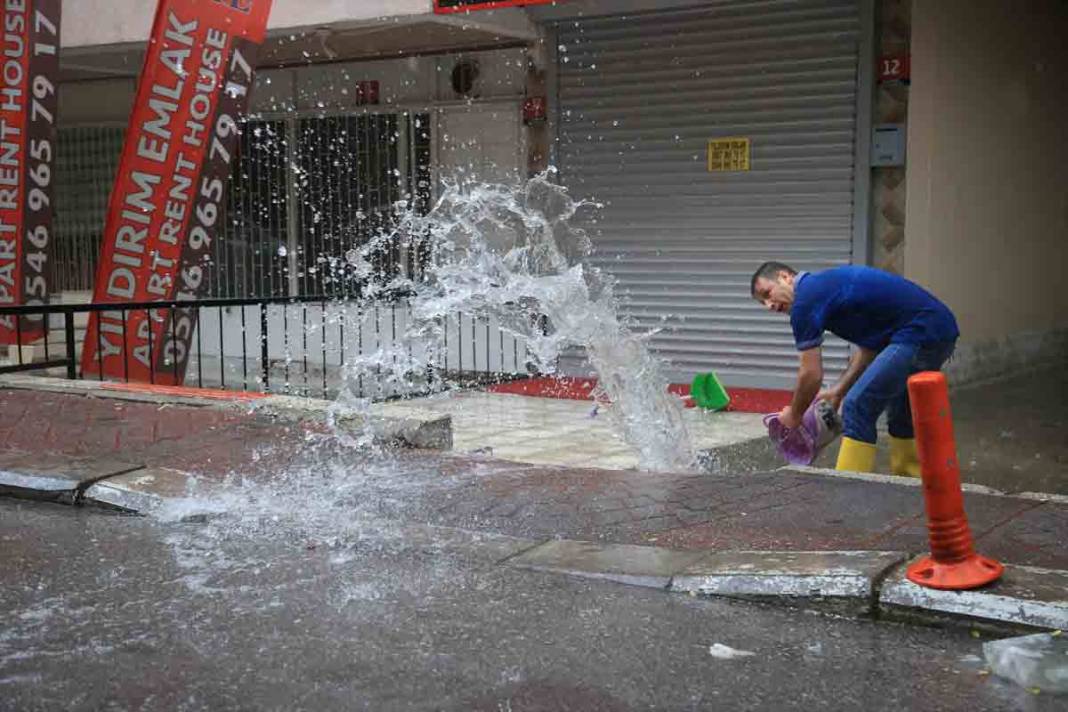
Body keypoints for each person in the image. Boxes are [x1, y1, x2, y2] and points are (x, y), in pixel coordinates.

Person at [750, 261, 959, 476]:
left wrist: (794, 415)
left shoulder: (805, 300)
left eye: (768, 293)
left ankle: (847, 493)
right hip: (937, 328)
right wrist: (838, 391)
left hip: (920, 332)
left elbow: (811, 375)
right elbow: (869, 348)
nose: (769, 305)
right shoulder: (822, 287)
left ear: (785, 277)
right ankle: (911, 482)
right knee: (899, 412)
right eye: (762, 302)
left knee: (857, 406)